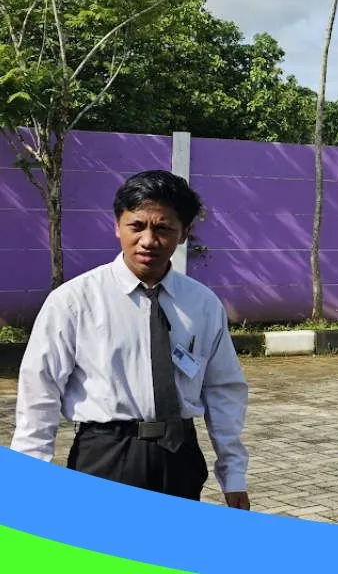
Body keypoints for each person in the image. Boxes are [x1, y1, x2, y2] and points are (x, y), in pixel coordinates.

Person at [11, 170, 250, 509]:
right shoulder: (75, 301)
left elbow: (223, 389)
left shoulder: (202, 304)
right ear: (117, 226)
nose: (148, 240)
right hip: (105, 457)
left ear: (184, 233)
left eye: (163, 228)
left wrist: (233, 473)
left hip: (179, 456)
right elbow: (40, 391)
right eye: (136, 226)